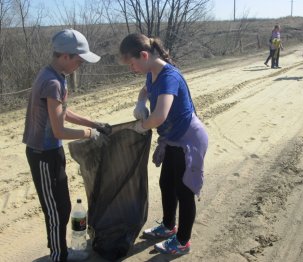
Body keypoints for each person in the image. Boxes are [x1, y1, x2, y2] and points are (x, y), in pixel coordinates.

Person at [23, 28, 111, 262]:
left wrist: (95, 123)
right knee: (54, 212)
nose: (79, 65)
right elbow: (59, 129)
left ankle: (60, 251)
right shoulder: (51, 82)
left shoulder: (56, 76)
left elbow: (64, 112)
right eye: (79, 61)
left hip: (54, 150)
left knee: (64, 207)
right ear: (65, 56)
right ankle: (58, 256)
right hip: (42, 154)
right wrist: (90, 133)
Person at [119, 33, 208, 255]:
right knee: (166, 183)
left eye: (132, 63)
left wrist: (142, 126)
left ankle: (182, 242)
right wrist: (140, 102)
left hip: (188, 139)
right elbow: (146, 90)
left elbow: (159, 116)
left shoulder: (169, 77)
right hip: (173, 138)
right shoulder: (152, 72)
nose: (132, 68)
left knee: (184, 190)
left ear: (144, 55)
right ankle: (168, 226)